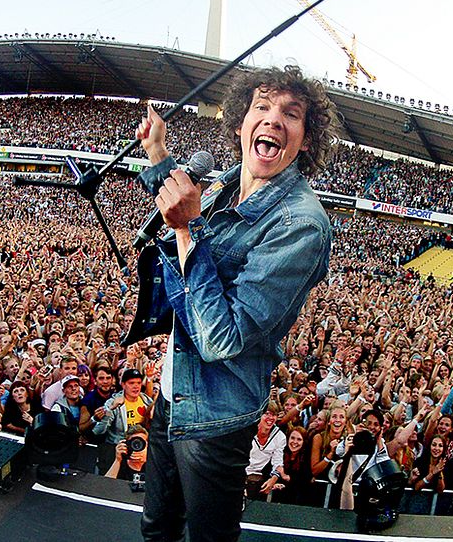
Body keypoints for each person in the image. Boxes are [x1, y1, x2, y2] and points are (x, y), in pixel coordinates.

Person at [126, 65, 335, 542]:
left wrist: (186, 228)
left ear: (305, 140)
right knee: (156, 526)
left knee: (208, 538)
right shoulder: (227, 182)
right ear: (241, 123)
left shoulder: (301, 225)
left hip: (217, 416)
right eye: (261, 106)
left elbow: (221, 338)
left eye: (291, 113)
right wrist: (158, 154)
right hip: (173, 391)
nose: (273, 119)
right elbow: (183, 200)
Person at [245, 403, 287, 500]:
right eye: (267, 414)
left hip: (258, 478)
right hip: (239, 474)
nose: (270, 418)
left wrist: (274, 479)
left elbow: (278, 462)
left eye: (274, 415)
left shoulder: (280, 437)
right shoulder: (248, 431)